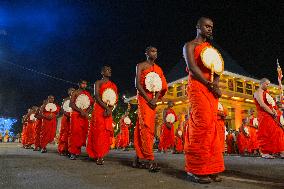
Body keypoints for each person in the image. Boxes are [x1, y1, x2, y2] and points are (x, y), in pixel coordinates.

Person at [183, 17, 224, 183]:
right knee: (202, 124)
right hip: (198, 87)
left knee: (212, 127)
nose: (209, 29)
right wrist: (208, 83)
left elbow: (218, 69)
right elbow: (192, 68)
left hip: (210, 90)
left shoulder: (211, 49)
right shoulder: (189, 46)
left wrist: (215, 85)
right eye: (206, 26)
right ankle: (196, 168)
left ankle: (211, 167)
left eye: (211, 27)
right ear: (198, 26)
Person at [133, 46, 168, 172]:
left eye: (156, 51)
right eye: (152, 51)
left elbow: (162, 86)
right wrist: (148, 100)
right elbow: (137, 84)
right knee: (146, 126)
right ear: (146, 53)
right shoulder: (140, 66)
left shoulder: (158, 69)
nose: (155, 53)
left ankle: (138, 158)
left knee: (142, 127)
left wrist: (155, 99)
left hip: (153, 100)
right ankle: (149, 159)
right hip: (143, 98)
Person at [86, 66, 118, 165]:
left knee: (105, 132)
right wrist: (106, 108)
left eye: (110, 70)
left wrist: (110, 109)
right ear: (102, 72)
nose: (109, 71)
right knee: (98, 131)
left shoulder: (113, 85)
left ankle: (101, 154)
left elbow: (114, 99)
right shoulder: (98, 83)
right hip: (99, 109)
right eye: (107, 70)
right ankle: (97, 155)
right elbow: (96, 96)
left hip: (108, 111)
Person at [253, 78, 284, 159]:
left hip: (271, 115)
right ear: (261, 83)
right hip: (264, 115)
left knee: (276, 132)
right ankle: (265, 152)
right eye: (266, 84)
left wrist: (274, 111)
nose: (268, 86)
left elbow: (271, 104)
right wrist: (271, 112)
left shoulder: (265, 93)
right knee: (265, 133)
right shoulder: (258, 92)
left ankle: (277, 151)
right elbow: (262, 104)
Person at [69, 80, 94, 160]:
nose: (84, 85)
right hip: (76, 115)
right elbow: (71, 104)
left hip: (84, 116)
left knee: (83, 133)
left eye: (86, 84)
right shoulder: (75, 92)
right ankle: (73, 152)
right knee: (75, 133)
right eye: (83, 83)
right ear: (79, 84)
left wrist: (86, 112)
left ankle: (77, 151)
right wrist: (80, 111)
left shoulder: (87, 94)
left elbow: (91, 104)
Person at [58, 88, 75, 155]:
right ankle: (62, 149)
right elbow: (62, 109)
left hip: (73, 118)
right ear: (68, 92)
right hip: (66, 117)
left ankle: (70, 150)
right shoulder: (66, 99)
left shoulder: (76, 99)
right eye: (71, 91)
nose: (73, 92)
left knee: (71, 134)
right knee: (64, 133)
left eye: (74, 91)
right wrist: (68, 115)